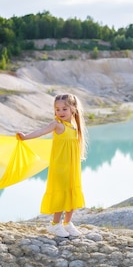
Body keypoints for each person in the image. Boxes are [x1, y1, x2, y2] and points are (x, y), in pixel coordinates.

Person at [16, 93, 88, 237]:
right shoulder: (57, 125)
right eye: (57, 109)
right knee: (61, 194)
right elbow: (41, 131)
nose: (60, 112)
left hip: (72, 167)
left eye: (64, 109)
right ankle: (55, 225)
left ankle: (67, 223)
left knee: (72, 192)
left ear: (73, 109)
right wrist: (25, 137)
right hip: (60, 167)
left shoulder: (74, 127)